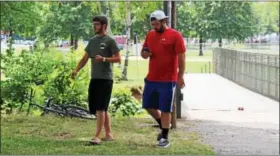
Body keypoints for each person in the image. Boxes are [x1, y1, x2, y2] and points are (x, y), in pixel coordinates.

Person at [71, 15, 121, 145]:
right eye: (93, 24)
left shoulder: (110, 40)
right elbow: (85, 57)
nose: (94, 26)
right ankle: (109, 134)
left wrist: (104, 59)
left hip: (106, 79)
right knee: (100, 108)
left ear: (104, 26)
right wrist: (76, 69)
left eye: (97, 24)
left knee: (100, 108)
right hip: (95, 78)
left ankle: (97, 136)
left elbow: (118, 59)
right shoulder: (92, 41)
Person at [141, 10, 186, 148]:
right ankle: (164, 125)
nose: (154, 27)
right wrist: (145, 53)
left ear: (163, 21)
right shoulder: (150, 34)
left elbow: (182, 58)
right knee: (148, 105)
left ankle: (164, 138)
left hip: (168, 79)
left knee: (165, 108)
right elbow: (143, 53)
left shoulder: (175, 35)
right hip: (152, 77)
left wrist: (180, 76)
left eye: (156, 24)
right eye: (153, 24)